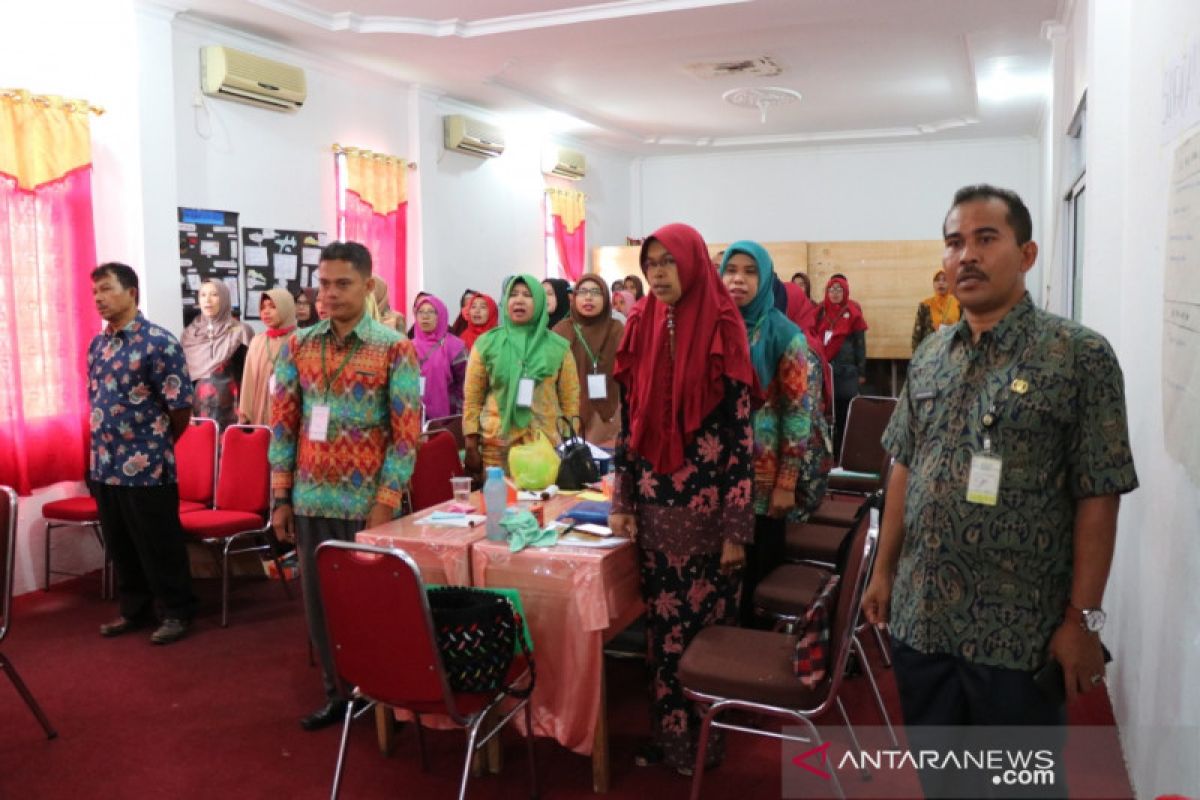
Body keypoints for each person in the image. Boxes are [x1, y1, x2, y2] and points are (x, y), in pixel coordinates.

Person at [861, 185, 1138, 797]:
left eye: (987, 239)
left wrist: (1082, 621)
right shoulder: (931, 354)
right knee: (945, 783)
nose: (967, 256)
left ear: (1028, 252)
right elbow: (904, 463)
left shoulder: (1079, 357)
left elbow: (1100, 494)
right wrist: (883, 571)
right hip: (923, 623)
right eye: (956, 242)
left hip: (1017, 636)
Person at [607, 223, 755, 776]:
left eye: (670, 261)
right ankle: (668, 743)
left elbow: (741, 439)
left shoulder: (723, 325)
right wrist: (621, 501)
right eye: (652, 262)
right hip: (652, 511)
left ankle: (707, 746)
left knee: (703, 639)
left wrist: (737, 528)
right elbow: (629, 425)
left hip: (709, 519)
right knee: (662, 639)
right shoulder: (640, 323)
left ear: (693, 263)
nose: (660, 272)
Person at [269, 241, 422, 731]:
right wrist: (280, 496)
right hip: (312, 499)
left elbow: (406, 435)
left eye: (342, 284)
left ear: (368, 285)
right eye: (324, 284)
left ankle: (384, 696)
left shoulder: (394, 347)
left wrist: (385, 502)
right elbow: (283, 424)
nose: (329, 294)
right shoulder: (299, 345)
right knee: (322, 609)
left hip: (367, 505)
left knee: (374, 607)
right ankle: (338, 694)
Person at [87, 262, 197, 645]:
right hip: (104, 463)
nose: (99, 298)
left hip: (147, 465)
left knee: (159, 542)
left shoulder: (159, 342)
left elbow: (180, 407)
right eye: (95, 292)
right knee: (121, 543)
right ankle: (134, 609)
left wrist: (156, 445)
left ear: (132, 292)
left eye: (107, 289)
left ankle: (178, 611)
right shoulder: (98, 345)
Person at [719, 243, 813, 627]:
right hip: (716, 475)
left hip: (763, 475)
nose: (738, 279)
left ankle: (752, 667)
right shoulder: (712, 327)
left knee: (756, 584)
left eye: (750, 271)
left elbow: (797, 415)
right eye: (731, 270)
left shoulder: (784, 333)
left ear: (766, 278)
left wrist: (786, 482)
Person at [462, 276, 579, 477]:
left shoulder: (558, 347)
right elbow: (473, 398)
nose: (519, 300)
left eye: (527, 295)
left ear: (540, 302)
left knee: (543, 506)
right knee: (499, 505)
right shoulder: (486, 343)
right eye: (513, 295)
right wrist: (471, 444)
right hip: (497, 447)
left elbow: (570, 400)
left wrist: (569, 441)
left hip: (544, 447)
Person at [551, 273, 624, 444]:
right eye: (582, 292)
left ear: (606, 297)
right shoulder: (561, 331)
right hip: (568, 414)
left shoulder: (617, 330)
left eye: (595, 292)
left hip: (609, 414)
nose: (589, 297)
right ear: (574, 297)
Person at [181, 280, 254, 428]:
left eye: (214, 295)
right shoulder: (189, 334)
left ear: (224, 298)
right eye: (203, 295)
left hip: (234, 410)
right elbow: (183, 377)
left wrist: (248, 409)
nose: (207, 300)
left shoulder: (241, 331)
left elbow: (251, 375)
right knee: (202, 450)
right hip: (199, 410)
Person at [815, 274, 867, 453]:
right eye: (831, 289)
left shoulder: (853, 312)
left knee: (845, 414)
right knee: (827, 413)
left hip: (847, 372)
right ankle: (828, 453)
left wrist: (861, 372)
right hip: (825, 371)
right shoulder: (820, 311)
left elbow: (860, 344)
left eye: (839, 289)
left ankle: (844, 452)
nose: (835, 293)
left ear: (845, 291)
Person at [238, 289, 297, 427]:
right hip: (259, 412)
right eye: (263, 307)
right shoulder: (257, 341)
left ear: (286, 307)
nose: (266, 311)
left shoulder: (299, 339)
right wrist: (245, 414)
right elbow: (248, 380)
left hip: (289, 413)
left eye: (272, 306)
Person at [412, 294, 468, 419]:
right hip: (414, 416)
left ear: (441, 315)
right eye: (420, 312)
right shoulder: (408, 347)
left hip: (449, 417)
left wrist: (458, 413)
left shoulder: (455, 346)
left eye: (431, 312)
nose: (425, 316)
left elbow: (465, 382)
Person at [911, 267, 961, 352]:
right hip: (929, 354)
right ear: (933, 284)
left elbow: (965, 332)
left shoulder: (958, 304)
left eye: (945, 280)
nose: (941, 283)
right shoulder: (925, 305)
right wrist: (917, 357)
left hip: (952, 354)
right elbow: (917, 335)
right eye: (937, 280)